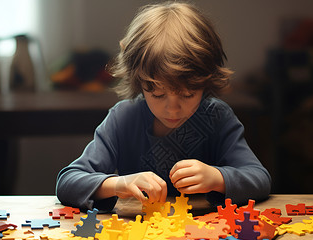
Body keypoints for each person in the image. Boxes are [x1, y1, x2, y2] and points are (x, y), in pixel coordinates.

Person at [56, 2, 271, 212]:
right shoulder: (123, 118)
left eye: (188, 94)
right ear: (139, 82)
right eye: (158, 94)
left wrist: (217, 178)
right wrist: (119, 184)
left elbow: (260, 179)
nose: (173, 109)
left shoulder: (217, 117)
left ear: (206, 82)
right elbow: (67, 182)